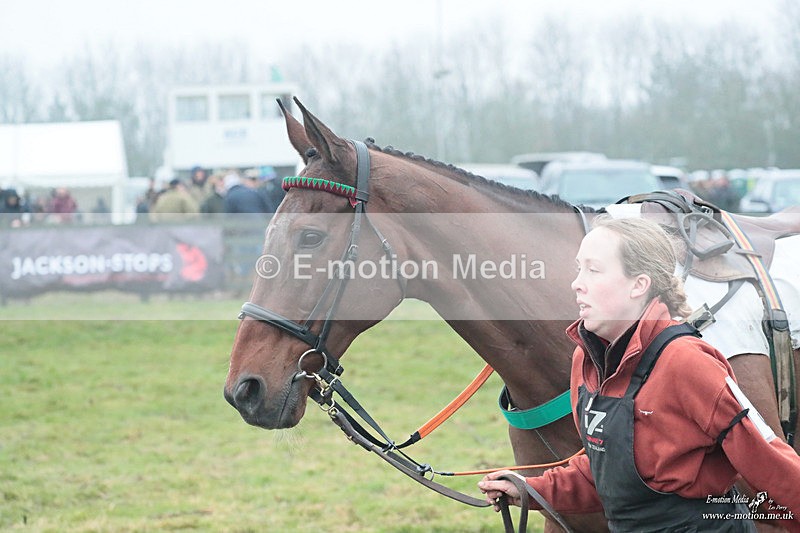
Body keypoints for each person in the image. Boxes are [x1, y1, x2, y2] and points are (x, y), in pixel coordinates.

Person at [479, 216, 800, 532]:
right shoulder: (586, 361)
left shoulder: (688, 363)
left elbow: (772, 463)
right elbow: (609, 475)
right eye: (579, 268)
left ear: (639, 285)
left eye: (594, 270)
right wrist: (531, 489)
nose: (577, 283)